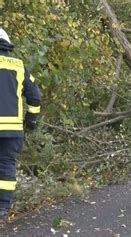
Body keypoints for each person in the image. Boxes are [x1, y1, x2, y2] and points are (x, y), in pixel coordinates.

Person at [0, 28, 41, 221]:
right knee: (6, 166)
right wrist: (31, 121)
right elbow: (35, 96)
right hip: (12, 130)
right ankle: (2, 209)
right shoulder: (18, 66)